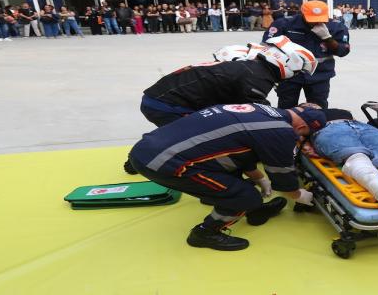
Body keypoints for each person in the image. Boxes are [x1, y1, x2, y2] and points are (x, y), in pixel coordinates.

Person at [128, 104, 326, 251]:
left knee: (235, 178)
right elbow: (282, 176)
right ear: (301, 128)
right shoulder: (281, 131)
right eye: (304, 136)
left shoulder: (261, 110)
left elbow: (241, 149)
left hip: (150, 149)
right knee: (244, 197)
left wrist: (259, 178)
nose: (300, 140)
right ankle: (205, 233)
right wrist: (299, 195)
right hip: (163, 163)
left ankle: (255, 212)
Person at [124, 36, 317, 175]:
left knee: (180, 132)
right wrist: (294, 119)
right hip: (166, 104)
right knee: (202, 142)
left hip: (161, 97)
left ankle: (137, 160)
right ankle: (229, 184)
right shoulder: (257, 78)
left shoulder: (252, 68)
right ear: (287, 63)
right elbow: (260, 116)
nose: (297, 76)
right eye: (299, 72)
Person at [264, 0, 350, 109]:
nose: (316, 22)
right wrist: (274, 74)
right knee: (286, 107)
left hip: (320, 75)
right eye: (312, 19)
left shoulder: (336, 27)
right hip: (289, 75)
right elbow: (267, 48)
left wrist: (327, 38)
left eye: (320, 19)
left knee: (318, 109)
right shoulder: (284, 24)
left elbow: (343, 51)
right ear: (302, 13)